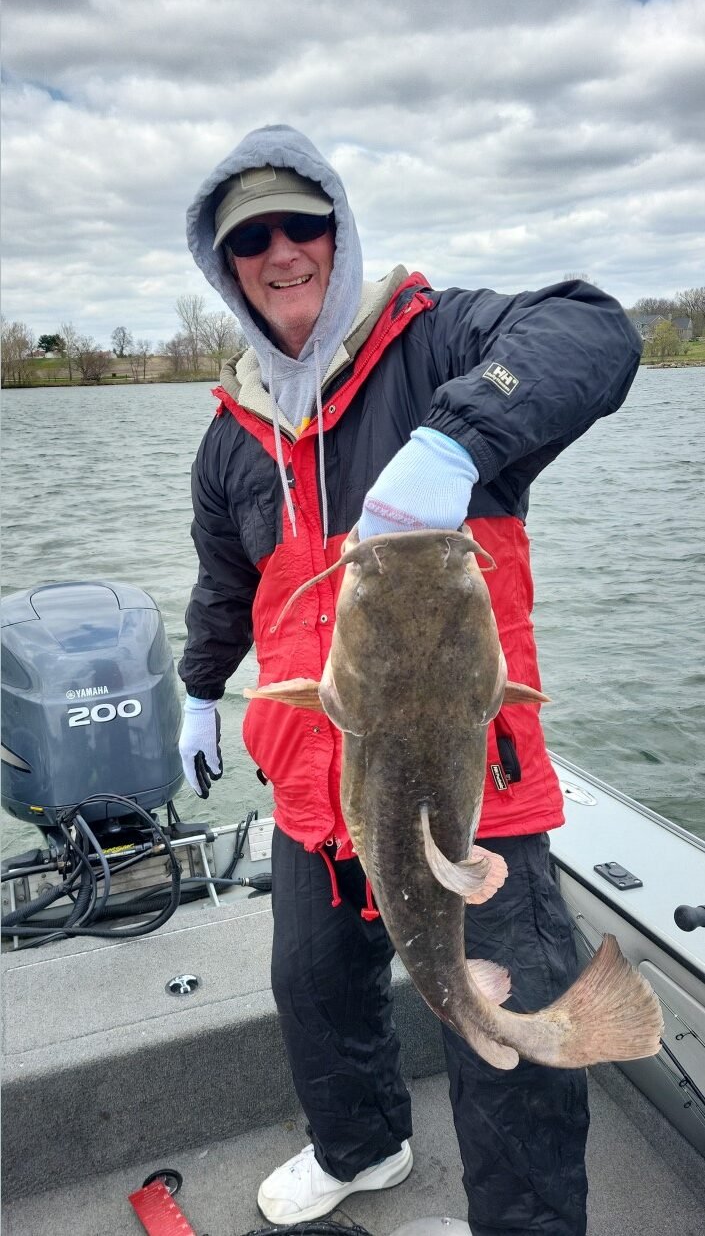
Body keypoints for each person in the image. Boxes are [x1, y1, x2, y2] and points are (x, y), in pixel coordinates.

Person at [178, 124, 641, 1235]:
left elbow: (593, 329)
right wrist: (200, 687)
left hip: (474, 789)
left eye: (306, 225)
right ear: (224, 264)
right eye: (253, 239)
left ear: (341, 231)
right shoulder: (232, 435)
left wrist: (458, 440)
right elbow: (225, 583)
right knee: (315, 994)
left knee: (512, 1048)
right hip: (314, 791)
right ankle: (364, 1146)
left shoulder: (442, 341)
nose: (283, 252)